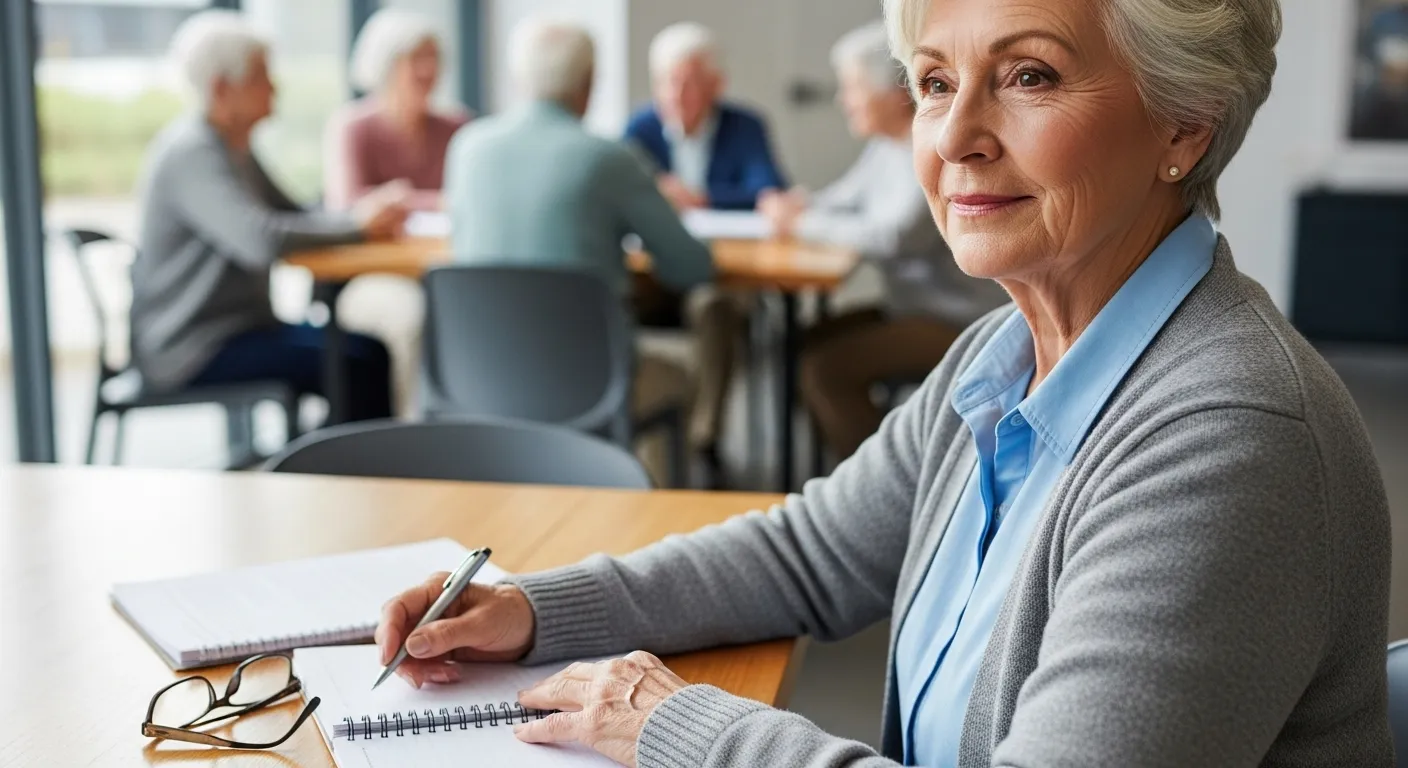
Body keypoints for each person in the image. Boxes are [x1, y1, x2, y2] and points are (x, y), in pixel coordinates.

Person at [379, 0, 1395, 766]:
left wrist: (673, 723)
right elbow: (809, 553)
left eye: (1030, 77)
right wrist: (537, 609)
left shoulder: (1230, 438)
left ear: (1185, 125)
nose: (953, 138)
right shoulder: (1001, 355)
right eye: (935, 83)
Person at [442, 18, 728, 484]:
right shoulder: (609, 158)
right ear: (589, 82)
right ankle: (642, 521)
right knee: (682, 368)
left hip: (473, 383)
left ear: (519, 79)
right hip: (592, 388)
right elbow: (690, 266)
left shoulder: (466, 148)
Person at [132, 10, 401, 423]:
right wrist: (357, 227)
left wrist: (359, 216)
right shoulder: (193, 152)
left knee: (371, 351)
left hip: (244, 329)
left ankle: (335, 463)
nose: (274, 86)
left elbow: (296, 213)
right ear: (223, 89)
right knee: (353, 366)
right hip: (195, 348)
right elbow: (261, 239)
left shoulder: (233, 148)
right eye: (260, 75)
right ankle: (340, 471)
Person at [760, 21, 1008, 460]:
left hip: (955, 319)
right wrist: (801, 205)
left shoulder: (929, 148)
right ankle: (836, 467)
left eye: (852, 88)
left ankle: (884, 489)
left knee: (823, 371)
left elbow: (895, 239)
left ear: (893, 97)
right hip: (909, 308)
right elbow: (844, 199)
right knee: (798, 344)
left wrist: (801, 224)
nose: (843, 100)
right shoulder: (885, 146)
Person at [323, 7, 470, 416]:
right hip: (375, 277)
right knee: (413, 319)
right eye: (415, 58)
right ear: (386, 65)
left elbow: (468, 201)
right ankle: (418, 441)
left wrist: (399, 201)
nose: (427, 69)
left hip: (446, 272)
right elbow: (347, 205)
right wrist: (432, 200)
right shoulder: (353, 128)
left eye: (433, 57)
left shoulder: (457, 127)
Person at [624, 22, 787, 211]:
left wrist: (702, 198)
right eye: (667, 82)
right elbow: (622, 192)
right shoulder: (640, 130)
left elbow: (768, 192)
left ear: (716, 85)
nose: (675, 96)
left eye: (689, 84)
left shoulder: (745, 127)